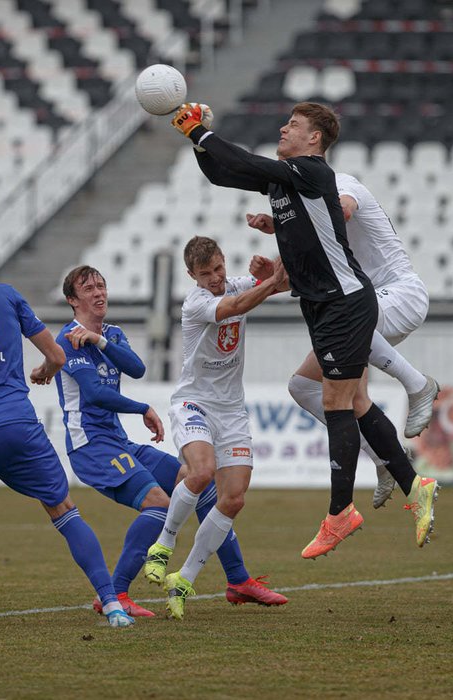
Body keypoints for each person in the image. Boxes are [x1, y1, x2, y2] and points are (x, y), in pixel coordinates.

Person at [169, 101, 438, 558]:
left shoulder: (312, 173)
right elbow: (223, 173)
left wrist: (199, 132)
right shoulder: (283, 180)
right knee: (349, 400)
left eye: (292, 125)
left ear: (314, 139)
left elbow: (242, 160)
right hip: (322, 306)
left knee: (336, 402)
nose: (282, 128)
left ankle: (340, 513)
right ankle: (415, 485)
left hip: (346, 303)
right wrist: (197, 143)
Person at [0, 223, 134, 628]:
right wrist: (45, 370)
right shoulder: (6, 295)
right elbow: (57, 355)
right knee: (64, 510)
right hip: (17, 422)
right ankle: (113, 604)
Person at [54, 265, 287, 617]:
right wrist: (142, 407)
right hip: (90, 446)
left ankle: (238, 580)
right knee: (159, 503)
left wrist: (100, 340)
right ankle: (114, 594)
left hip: (118, 442)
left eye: (101, 286)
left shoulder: (111, 334)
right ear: (72, 300)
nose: (99, 293)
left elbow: (136, 368)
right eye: (88, 289)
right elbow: (94, 393)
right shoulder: (68, 338)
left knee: (200, 484)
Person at [246, 169, 439, 509]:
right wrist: (271, 279)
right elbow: (299, 280)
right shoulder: (310, 224)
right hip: (363, 304)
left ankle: (417, 383)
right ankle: (383, 460)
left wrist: (284, 223)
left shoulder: (340, 184)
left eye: (293, 125)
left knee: (346, 316)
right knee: (305, 387)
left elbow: (344, 209)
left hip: (398, 295)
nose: (283, 130)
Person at [141, 236, 287, 619]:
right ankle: (163, 544)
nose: (216, 278)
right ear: (192, 275)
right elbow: (237, 306)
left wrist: (276, 265)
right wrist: (268, 284)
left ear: (225, 262)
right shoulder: (197, 302)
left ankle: (184, 578)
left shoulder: (236, 283)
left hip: (231, 411)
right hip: (195, 403)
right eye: (205, 274)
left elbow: (283, 285)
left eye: (219, 269)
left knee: (234, 498)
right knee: (201, 471)